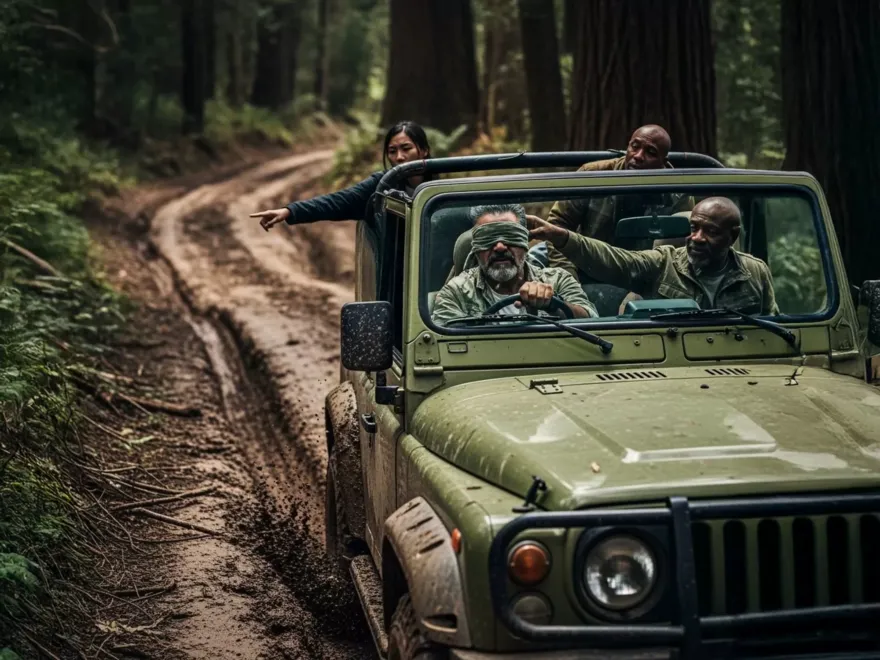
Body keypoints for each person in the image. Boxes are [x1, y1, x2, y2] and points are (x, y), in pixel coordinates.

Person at [529, 197, 779, 316]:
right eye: (694, 228)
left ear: (732, 237)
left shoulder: (755, 273)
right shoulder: (664, 263)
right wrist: (562, 237)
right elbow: (614, 260)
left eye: (711, 232)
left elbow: (773, 328)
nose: (698, 238)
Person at [250, 120, 431, 230]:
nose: (399, 157)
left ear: (423, 151)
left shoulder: (442, 189)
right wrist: (289, 211)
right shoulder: (381, 186)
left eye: (406, 148)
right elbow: (338, 201)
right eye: (392, 151)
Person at [432, 204, 597, 324]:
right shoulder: (456, 293)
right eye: (488, 238)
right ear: (475, 248)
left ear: (525, 243)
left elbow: (593, 323)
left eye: (510, 236)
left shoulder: (558, 280)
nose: (500, 247)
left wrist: (554, 304)